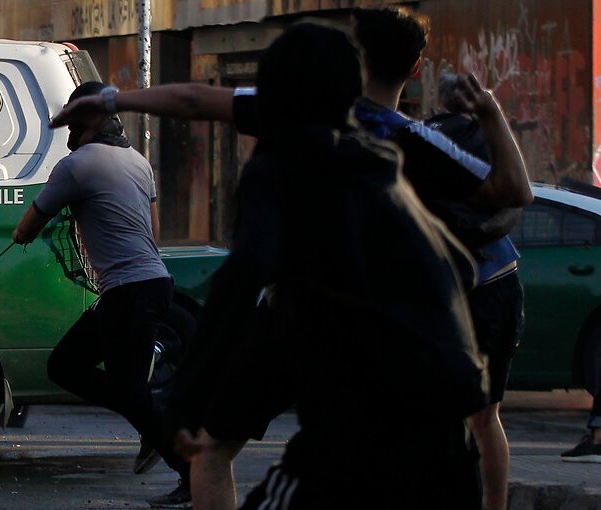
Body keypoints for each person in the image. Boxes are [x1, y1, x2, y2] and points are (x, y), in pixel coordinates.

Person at [53, 20, 488, 510]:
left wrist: (185, 401)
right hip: (452, 424)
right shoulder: (380, 159)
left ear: (275, 97)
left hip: (370, 426)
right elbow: (464, 258)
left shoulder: (284, 163)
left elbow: (241, 281)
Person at [350, 7, 532, 510]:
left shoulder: (406, 137)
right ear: (416, 69)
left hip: (482, 286)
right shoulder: (411, 134)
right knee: (462, 414)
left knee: (471, 413)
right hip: (475, 285)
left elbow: (513, 191)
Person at [12, 81, 191, 506]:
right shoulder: (138, 161)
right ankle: (150, 420)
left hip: (130, 292)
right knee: (68, 365)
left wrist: (21, 235)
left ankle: (187, 466)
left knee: (124, 388)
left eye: (71, 120)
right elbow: (153, 231)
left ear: (83, 120)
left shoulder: (76, 166)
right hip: (152, 284)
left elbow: (29, 225)